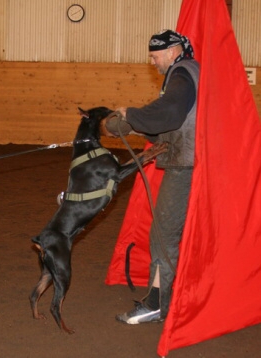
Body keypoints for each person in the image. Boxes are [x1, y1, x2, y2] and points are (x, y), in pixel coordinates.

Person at [102, 30, 200, 324]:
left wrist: (131, 114)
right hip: (189, 160)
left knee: (162, 234)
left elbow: (169, 111)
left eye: (156, 56)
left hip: (184, 165)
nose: (153, 62)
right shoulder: (190, 71)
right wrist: (134, 126)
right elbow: (169, 123)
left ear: (172, 52)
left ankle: (157, 304)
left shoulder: (182, 74)